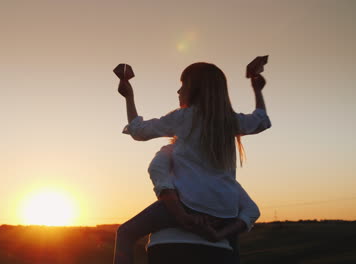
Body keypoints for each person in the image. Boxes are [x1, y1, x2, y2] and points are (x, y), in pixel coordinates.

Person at [113, 62, 271, 264]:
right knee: (231, 246)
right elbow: (261, 120)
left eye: (183, 85)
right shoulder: (230, 121)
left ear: (195, 89)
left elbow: (138, 131)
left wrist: (129, 96)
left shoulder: (183, 117)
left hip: (189, 205)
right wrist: (257, 90)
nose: (179, 91)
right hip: (226, 211)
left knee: (125, 233)